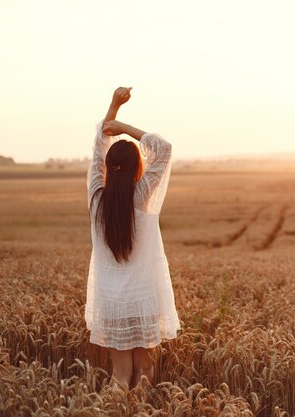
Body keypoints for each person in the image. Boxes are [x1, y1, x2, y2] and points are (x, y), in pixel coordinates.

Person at [84, 86, 181, 391]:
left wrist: (113, 107)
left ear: (109, 170)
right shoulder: (141, 197)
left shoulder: (96, 198)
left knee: (120, 374)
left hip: (111, 300)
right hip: (143, 297)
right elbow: (163, 148)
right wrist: (124, 126)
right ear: (138, 167)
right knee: (144, 373)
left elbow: (98, 150)